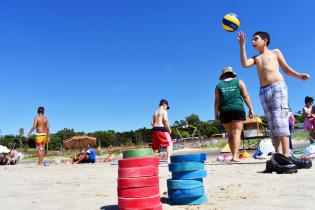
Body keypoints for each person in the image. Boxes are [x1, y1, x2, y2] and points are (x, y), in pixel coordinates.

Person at [238, 31, 311, 168]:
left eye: (256, 39)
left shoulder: (275, 52)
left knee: (280, 119)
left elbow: (286, 69)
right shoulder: (256, 58)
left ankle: (287, 155)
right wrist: (242, 45)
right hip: (263, 92)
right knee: (272, 123)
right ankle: (278, 156)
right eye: (252, 40)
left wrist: (298, 75)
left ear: (265, 40)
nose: (253, 42)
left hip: (278, 88)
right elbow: (244, 64)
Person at [215, 67, 254, 162]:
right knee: (237, 133)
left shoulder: (218, 86)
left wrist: (216, 113)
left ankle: (233, 155)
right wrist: (251, 108)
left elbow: (217, 101)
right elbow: (245, 96)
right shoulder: (239, 82)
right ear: (233, 74)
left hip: (224, 111)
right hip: (237, 109)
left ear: (223, 75)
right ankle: (236, 156)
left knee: (230, 135)